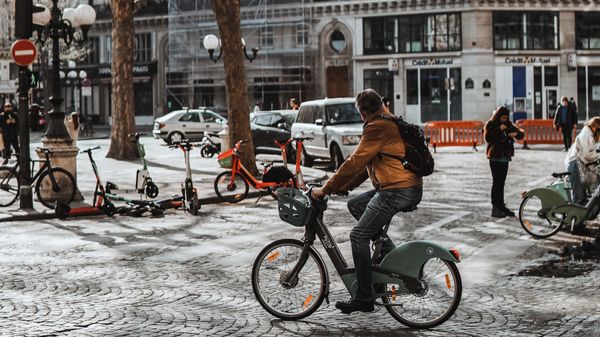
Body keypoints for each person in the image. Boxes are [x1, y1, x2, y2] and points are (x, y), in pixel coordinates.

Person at [311, 89, 422, 313]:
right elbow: (366, 165)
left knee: (358, 236)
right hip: (401, 187)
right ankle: (388, 254)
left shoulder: (378, 126)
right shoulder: (389, 120)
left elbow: (354, 162)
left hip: (396, 190)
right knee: (356, 204)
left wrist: (325, 189)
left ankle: (364, 296)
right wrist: (344, 187)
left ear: (362, 112)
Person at [484, 106, 525, 218]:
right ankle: (495, 207)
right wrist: (499, 129)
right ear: (498, 116)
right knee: (496, 182)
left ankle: (501, 205)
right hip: (495, 157)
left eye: (506, 118)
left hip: (504, 158)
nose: (504, 120)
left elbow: (521, 133)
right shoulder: (491, 124)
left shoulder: (508, 124)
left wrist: (516, 134)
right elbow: (487, 138)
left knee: (502, 182)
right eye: (502, 118)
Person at [564, 117, 600, 206]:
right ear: (596, 127)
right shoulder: (587, 135)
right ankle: (575, 218)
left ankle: (583, 215)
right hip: (575, 165)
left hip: (577, 164)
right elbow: (588, 154)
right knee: (578, 198)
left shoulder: (587, 134)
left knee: (584, 196)